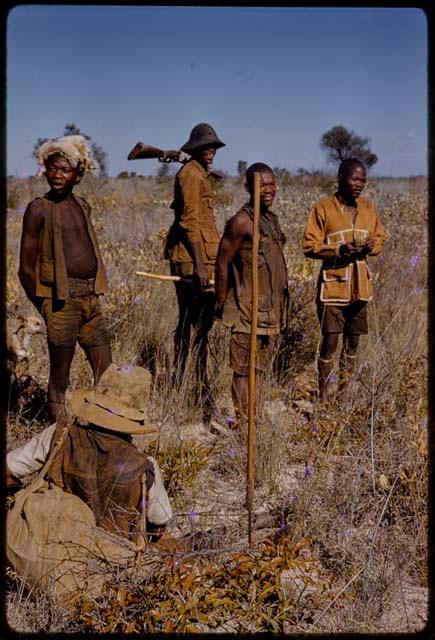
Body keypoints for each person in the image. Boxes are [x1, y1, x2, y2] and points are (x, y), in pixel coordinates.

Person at [6, 363, 172, 543]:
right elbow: (158, 525)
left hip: (48, 545)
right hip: (111, 561)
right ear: (136, 416)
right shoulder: (146, 466)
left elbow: (9, 468)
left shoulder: (59, 435)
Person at [18, 135, 112, 423]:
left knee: (107, 374)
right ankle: (57, 438)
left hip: (90, 300)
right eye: (52, 168)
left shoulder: (82, 205)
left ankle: (103, 432)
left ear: (78, 175)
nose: (57, 175)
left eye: (65, 170)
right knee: (60, 379)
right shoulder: (39, 209)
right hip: (60, 303)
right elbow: (25, 269)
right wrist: (46, 306)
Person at [302, 157, 386, 402]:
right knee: (329, 342)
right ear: (340, 177)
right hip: (332, 290)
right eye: (355, 179)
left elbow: (381, 239)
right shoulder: (322, 209)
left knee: (353, 343)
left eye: (363, 180)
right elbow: (309, 245)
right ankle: (324, 398)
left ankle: (343, 397)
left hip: (360, 290)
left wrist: (373, 244)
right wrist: (338, 250)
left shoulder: (369, 209)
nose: (359, 184)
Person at [214, 163, 288, 428]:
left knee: (259, 368)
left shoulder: (271, 219)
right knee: (243, 370)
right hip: (246, 310)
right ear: (247, 188)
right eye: (262, 185)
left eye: (272, 184)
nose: (269, 190)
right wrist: (220, 303)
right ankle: (245, 424)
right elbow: (222, 263)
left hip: (269, 310)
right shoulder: (240, 222)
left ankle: (254, 419)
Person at [164, 123, 225, 424]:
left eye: (213, 146)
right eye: (205, 146)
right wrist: (201, 265)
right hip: (190, 261)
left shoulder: (199, 173)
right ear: (194, 148)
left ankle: (195, 383)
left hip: (203, 259)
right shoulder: (189, 175)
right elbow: (189, 222)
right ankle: (184, 385)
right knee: (190, 324)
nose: (211, 150)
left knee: (201, 326)